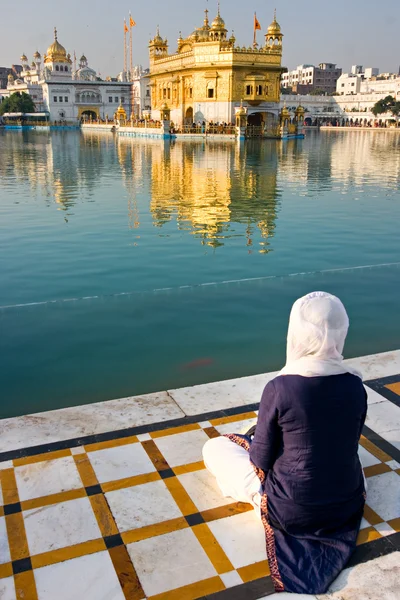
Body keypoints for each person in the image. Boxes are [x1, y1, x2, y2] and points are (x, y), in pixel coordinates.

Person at [203, 291, 367, 595]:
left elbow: (261, 460)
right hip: (347, 501)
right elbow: (353, 440)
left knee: (215, 448)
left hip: (291, 509)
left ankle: (257, 498)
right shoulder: (355, 384)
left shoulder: (281, 387)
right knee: (350, 459)